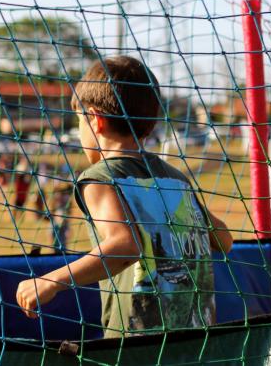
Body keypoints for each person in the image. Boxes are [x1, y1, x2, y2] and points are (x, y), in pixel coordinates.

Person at [15, 56, 233, 337]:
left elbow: (125, 246)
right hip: (195, 339)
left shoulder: (99, 178)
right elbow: (224, 240)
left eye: (80, 121)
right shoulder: (175, 179)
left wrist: (53, 279)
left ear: (95, 120)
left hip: (136, 344)